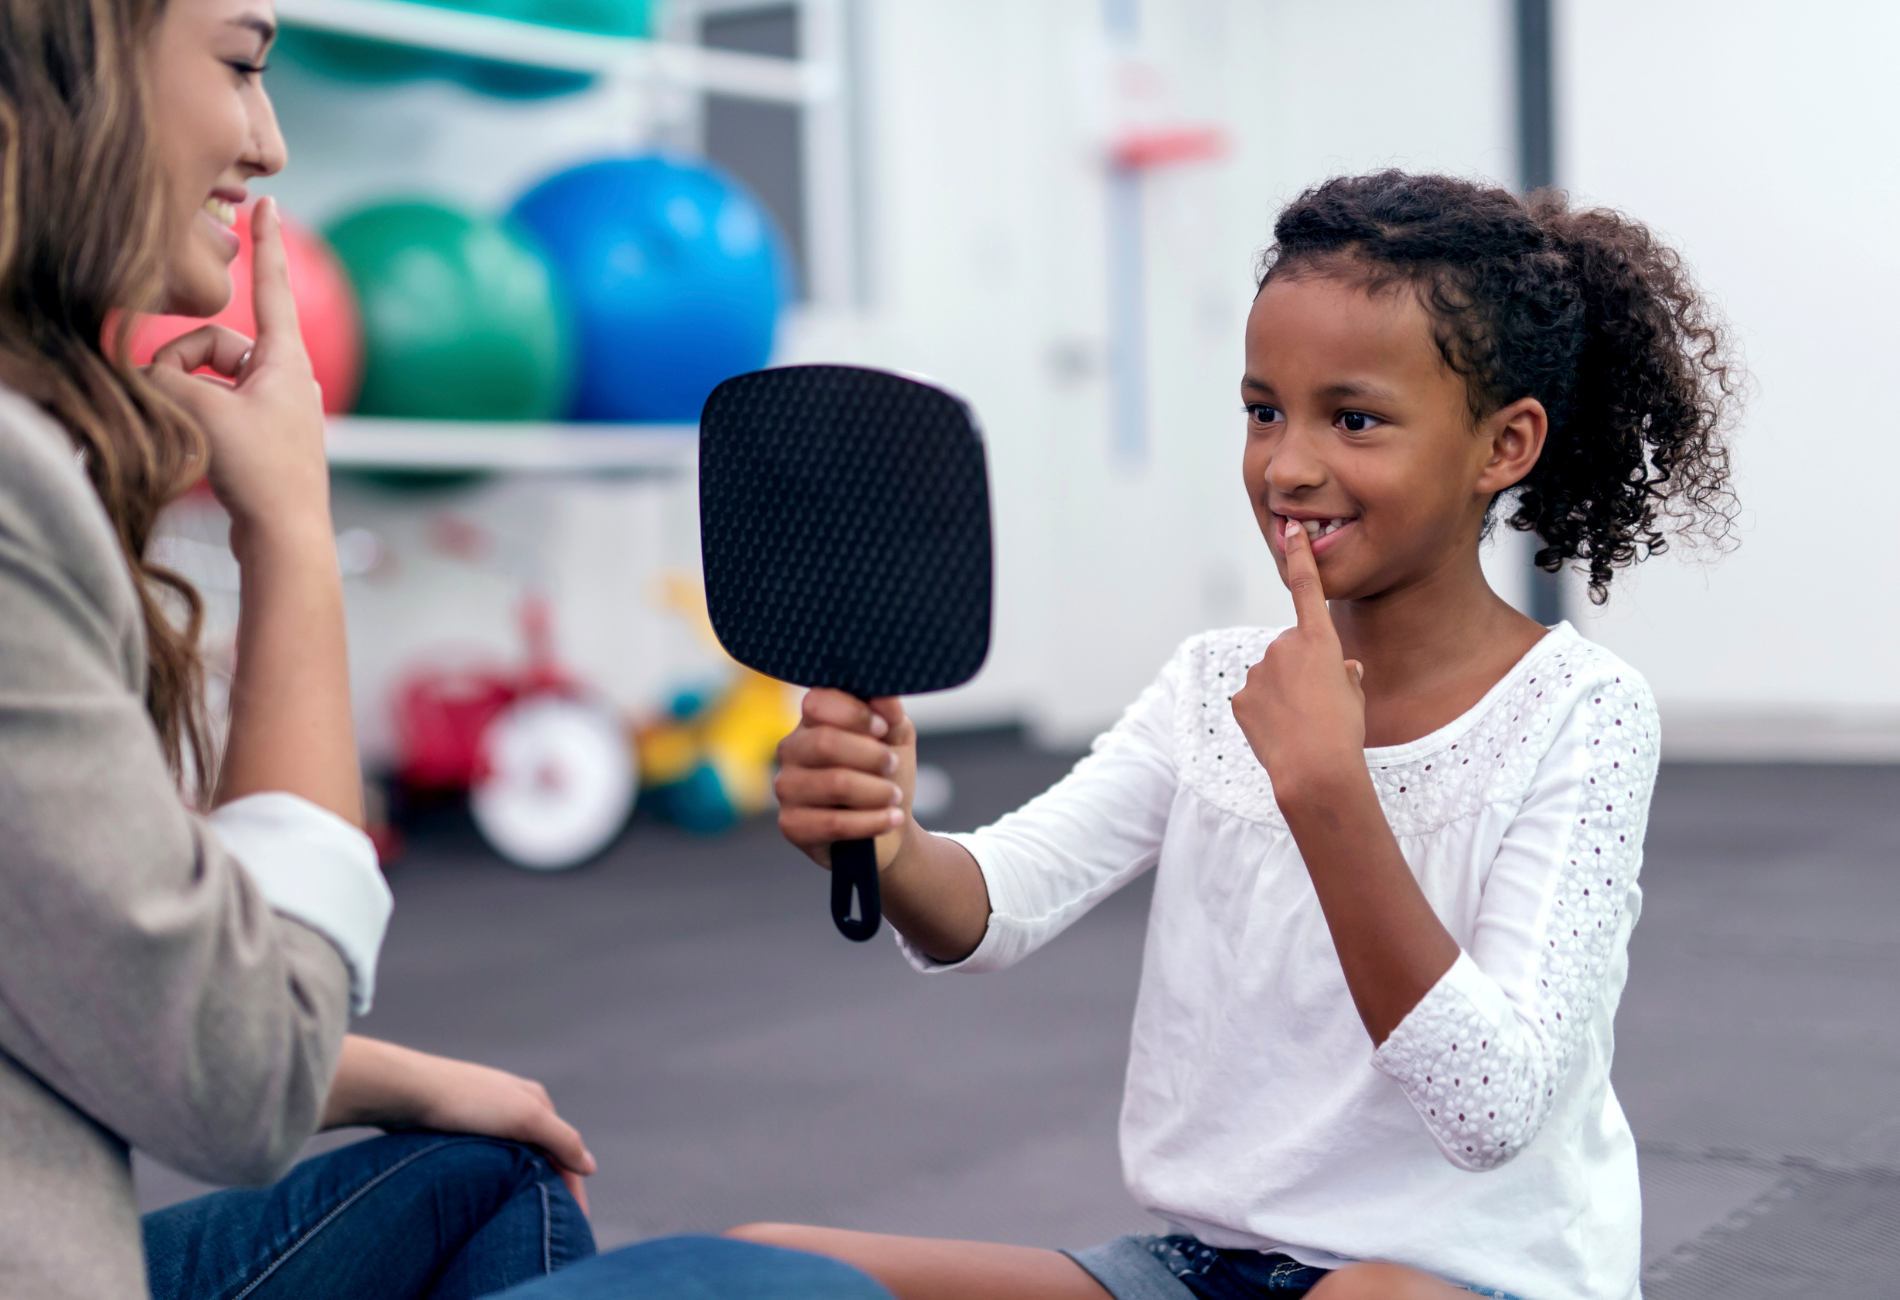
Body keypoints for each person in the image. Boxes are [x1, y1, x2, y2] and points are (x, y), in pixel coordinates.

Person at [744, 170, 1739, 1300]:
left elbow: (1489, 1108)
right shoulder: (1212, 681)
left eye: (1351, 418)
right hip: (1198, 1272)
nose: (1286, 464)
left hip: (1457, 1282)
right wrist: (882, 836)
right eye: (1263, 409)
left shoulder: (1582, 713)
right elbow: (999, 896)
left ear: (1503, 446)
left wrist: (1327, 791)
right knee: (765, 1265)